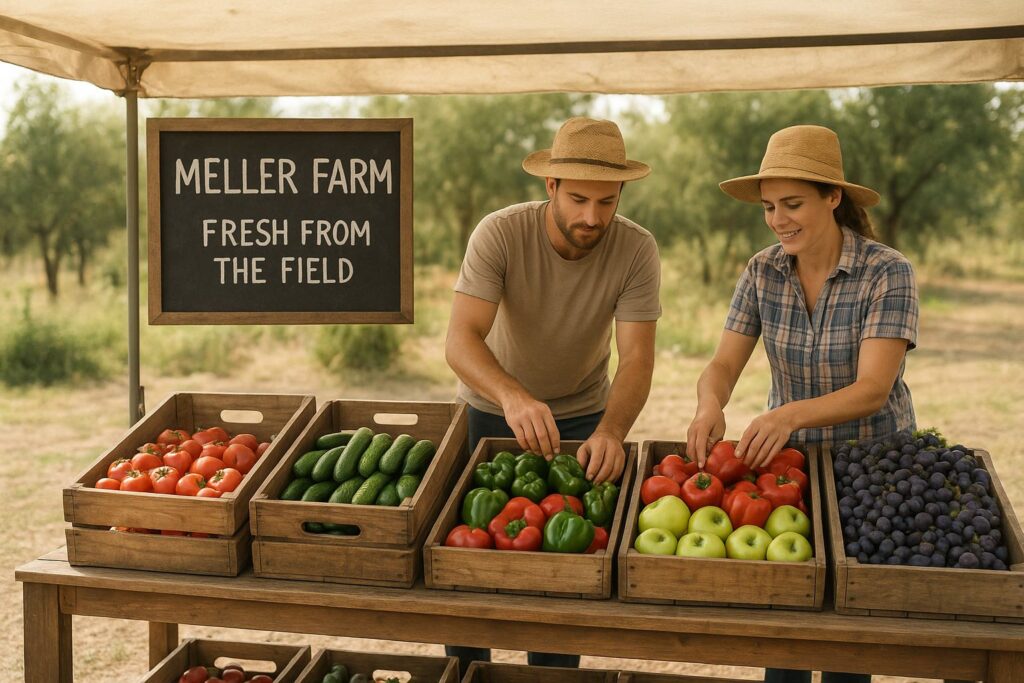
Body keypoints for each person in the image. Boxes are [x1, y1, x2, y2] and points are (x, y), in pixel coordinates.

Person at [686, 125, 919, 683]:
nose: (777, 219)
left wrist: (787, 414)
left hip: (873, 470)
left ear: (833, 197)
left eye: (792, 204)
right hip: (789, 474)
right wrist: (708, 404)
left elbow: (873, 390)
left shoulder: (887, 272)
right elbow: (723, 365)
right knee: (785, 628)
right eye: (768, 207)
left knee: (847, 644)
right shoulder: (762, 271)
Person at [444, 116, 661, 672]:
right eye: (580, 200)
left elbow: (637, 357)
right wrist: (514, 397)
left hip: (586, 418)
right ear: (551, 188)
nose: (592, 218)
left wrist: (612, 429)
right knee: (473, 577)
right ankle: (468, 672)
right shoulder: (500, 232)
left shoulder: (637, 249)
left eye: (607, 203)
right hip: (490, 415)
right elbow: (461, 339)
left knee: (565, 579)